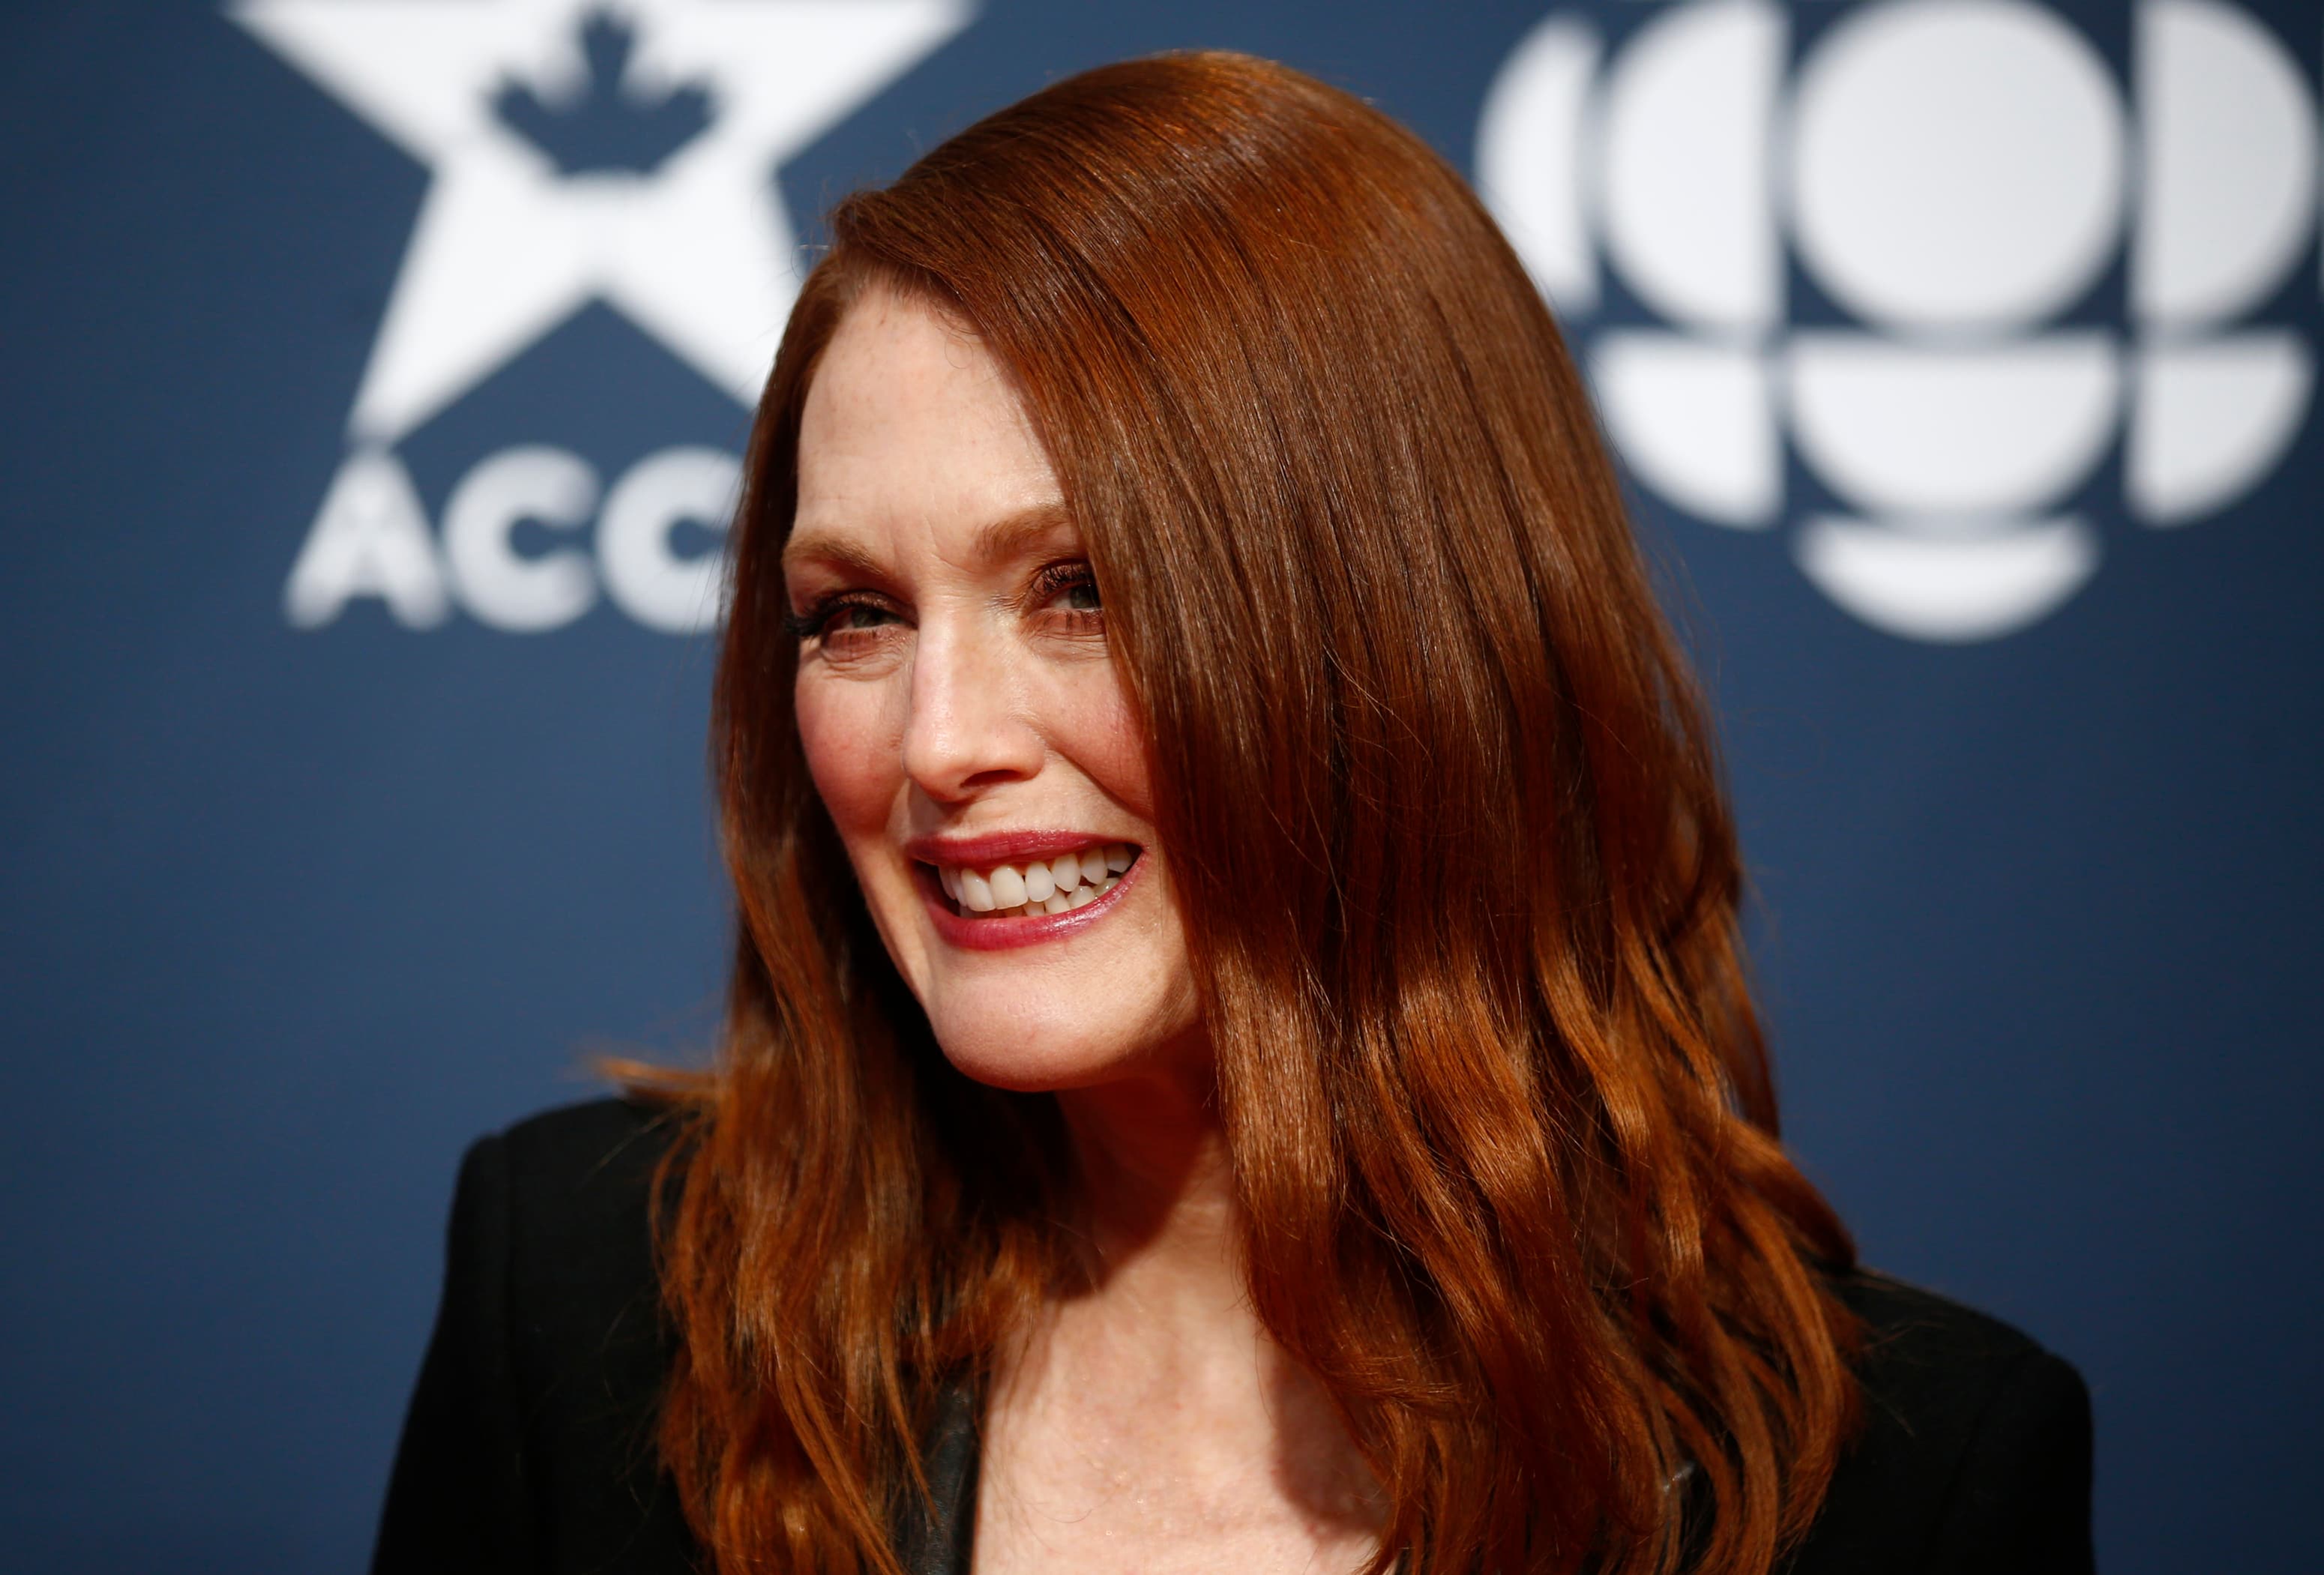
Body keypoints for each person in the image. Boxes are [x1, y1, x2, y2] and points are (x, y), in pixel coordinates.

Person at [373, 52, 2092, 1575]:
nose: (938, 741)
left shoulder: (1893, 1492)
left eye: (1081, 588)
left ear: (1407, 639)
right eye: (856, 614)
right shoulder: (592, 1306)